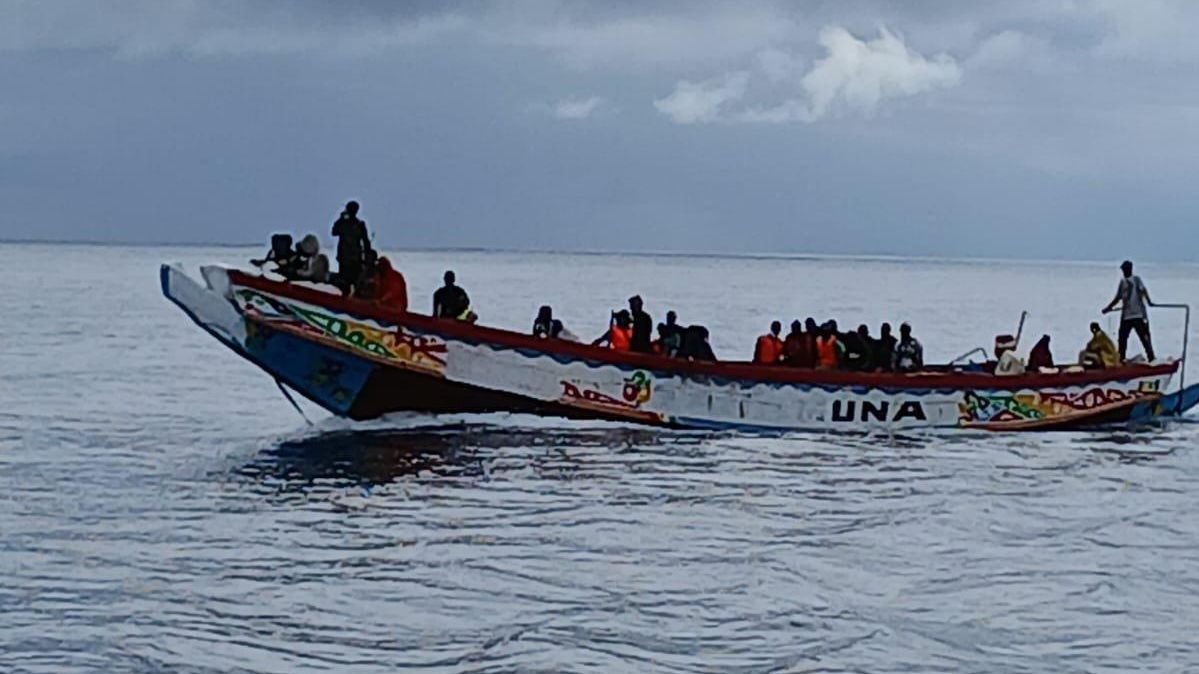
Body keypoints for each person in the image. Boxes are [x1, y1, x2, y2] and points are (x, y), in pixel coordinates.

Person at [1103, 260, 1155, 362]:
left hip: (1137, 315)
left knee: (1143, 338)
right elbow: (1118, 298)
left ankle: (1151, 358)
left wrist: (1149, 302)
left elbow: (1143, 292)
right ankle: (1121, 358)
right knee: (1122, 338)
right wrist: (1108, 308)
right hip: (1127, 316)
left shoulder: (1136, 280)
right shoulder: (1123, 282)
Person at [331, 200, 373, 295]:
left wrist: (341, 219)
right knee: (350, 281)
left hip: (350, 258)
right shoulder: (358, 224)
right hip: (349, 258)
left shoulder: (355, 224)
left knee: (348, 281)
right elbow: (366, 242)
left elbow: (334, 231)